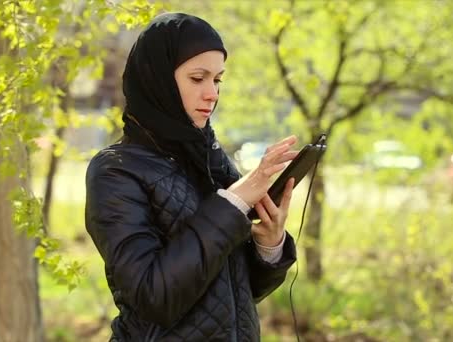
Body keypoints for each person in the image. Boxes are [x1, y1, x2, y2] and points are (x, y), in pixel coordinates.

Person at [85, 12, 299, 341]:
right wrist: (234, 202)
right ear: (158, 80)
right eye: (198, 78)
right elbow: (153, 296)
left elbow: (235, 292)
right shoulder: (115, 171)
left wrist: (269, 246)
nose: (212, 93)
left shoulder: (211, 159)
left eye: (217, 80)